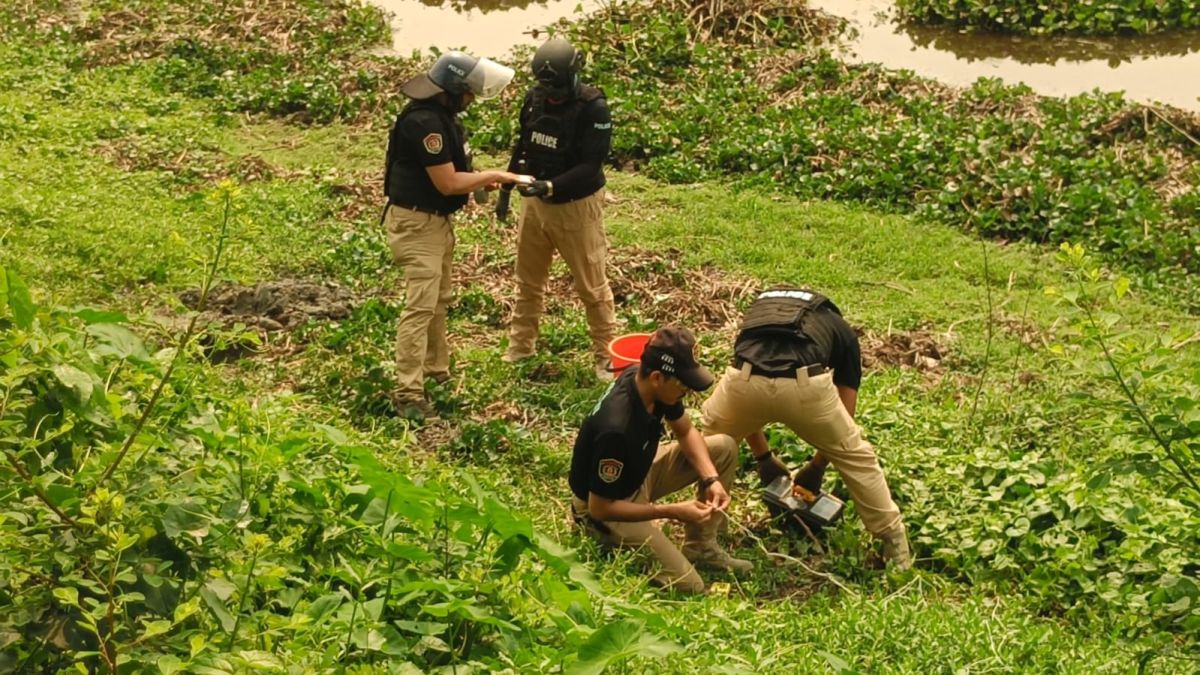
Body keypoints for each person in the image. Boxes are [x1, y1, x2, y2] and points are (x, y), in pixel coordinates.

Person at [700, 287, 913, 568]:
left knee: (712, 445)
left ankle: (706, 531)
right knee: (855, 455)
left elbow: (750, 385)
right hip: (805, 386)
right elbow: (846, 413)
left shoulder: (758, 313)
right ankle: (895, 546)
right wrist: (819, 465)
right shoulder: (841, 330)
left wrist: (764, 458)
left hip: (743, 381)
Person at [384, 51, 529, 419]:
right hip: (417, 224)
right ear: (451, 91)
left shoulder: (443, 119)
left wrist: (481, 181)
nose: (471, 99)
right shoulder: (424, 125)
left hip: (435, 223)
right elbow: (448, 182)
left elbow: (458, 173)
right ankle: (408, 391)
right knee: (420, 307)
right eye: (468, 92)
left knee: (438, 302)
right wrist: (497, 175)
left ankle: (436, 371)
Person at [569, 327, 752, 594]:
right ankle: (605, 540)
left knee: (723, 447)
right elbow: (600, 508)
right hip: (605, 506)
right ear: (657, 377)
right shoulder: (616, 429)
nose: (687, 392)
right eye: (683, 385)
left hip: (637, 476)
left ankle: (701, 546)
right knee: (689, 584)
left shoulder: (648, 384)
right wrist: (670, 511)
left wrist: (711, 478)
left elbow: (686, 431)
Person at [497, 38, 617, 381]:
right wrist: (508, 185)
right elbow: (524, 143)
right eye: (548, 89)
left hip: (576, 207)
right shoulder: (534, 99)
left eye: (560, 89)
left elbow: (592, 166)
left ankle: (605, 357)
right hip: (534, 204)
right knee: (528, 281)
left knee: (591, 286)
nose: (555, 96)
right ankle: (520, 347)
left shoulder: (593, 107)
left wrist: (552, 186)